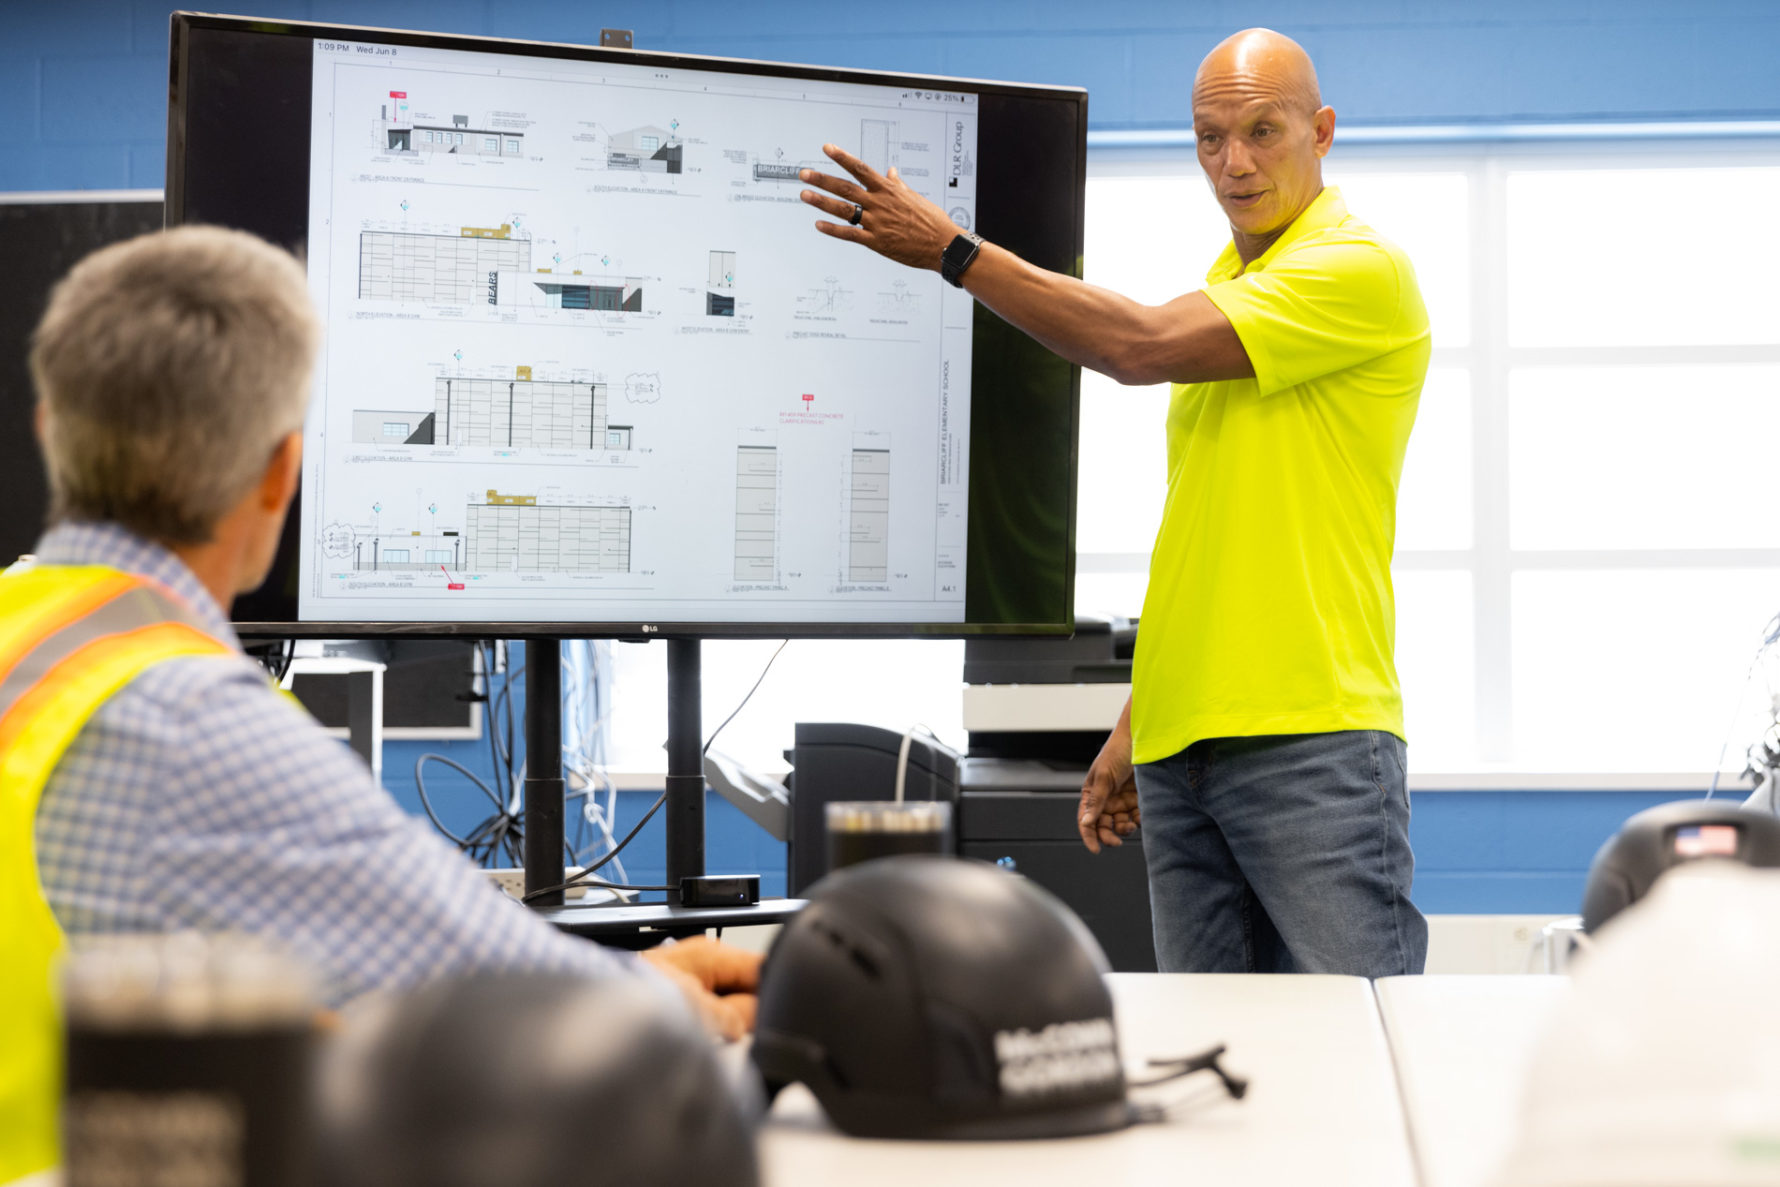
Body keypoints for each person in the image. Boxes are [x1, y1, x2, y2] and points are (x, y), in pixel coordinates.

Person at [0, 226, 759, 1181]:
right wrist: (668, 996)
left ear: (47, 429)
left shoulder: (25, 636)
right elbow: (528, 1009)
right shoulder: (190, 717)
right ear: (282, 471)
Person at [798, 28, 1430, 975]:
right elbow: (1215, 532)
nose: (1236, 162)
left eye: (1262, 130)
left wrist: (952, 251)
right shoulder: (1233, 284)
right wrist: (1141, 722)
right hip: (1184, 747)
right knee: (1223, 1061)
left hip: (1312, 741)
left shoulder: (1358, 269)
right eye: (1211, 138)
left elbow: (1134, 346)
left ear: (1322, 130)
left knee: (1363, 1044)